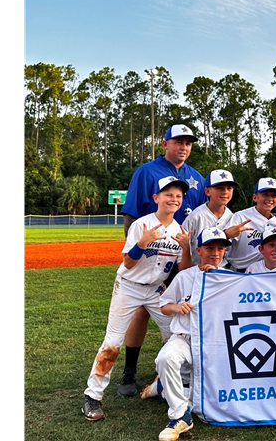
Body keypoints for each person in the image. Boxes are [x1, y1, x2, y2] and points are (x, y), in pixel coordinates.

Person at [82, 176, 193, 421]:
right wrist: (142, 243)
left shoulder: (179, 231)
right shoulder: (141, 225)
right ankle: (93, 395)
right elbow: (129, 263)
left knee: (176, 335)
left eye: (178, 196)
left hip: (156, 290)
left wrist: (186, 248)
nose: (173, 199)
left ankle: (167, 384)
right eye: (168, 194)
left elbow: (184, 272)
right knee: (112, 342)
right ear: (156, 198)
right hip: (129, 286)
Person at [116, 124, 207, 397]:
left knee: (182, 311)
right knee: (142, 310)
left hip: (183, 255)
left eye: (188, 142)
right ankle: (129, 372)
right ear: (164, 144)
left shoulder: (197, 178)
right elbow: (132, 216)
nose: (183, 147)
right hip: (153, 252)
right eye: (178, 141)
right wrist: (138, 251)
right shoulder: (146, 172)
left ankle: (171, 371)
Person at [139, 227, 232, 441]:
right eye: (210, 248)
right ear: (199, 249)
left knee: (210, 397)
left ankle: (164, 387)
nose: (215, 253)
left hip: (215, 343)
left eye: (220, 248)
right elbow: (164, 305)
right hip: (185, 337)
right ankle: (180, 416)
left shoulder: (229, 279)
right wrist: (176, 307)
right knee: (165, 358)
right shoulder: (184, 276)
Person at [182, 169, 254, 269]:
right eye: (219, 188)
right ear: (207, 191)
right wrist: (226, 235)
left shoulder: (232, 217)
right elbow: (183, 248)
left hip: (222, 272)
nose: (225, 192)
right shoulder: (195, 217)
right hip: (197, 271)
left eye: (229, 188)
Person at [224, 178, 276, 273]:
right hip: (239, 272)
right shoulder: (241, 217)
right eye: (265, 194)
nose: (270, 199)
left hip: (265, 273)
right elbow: (220, 244)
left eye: (274, 195)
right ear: (255, 197)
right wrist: (227, 235)